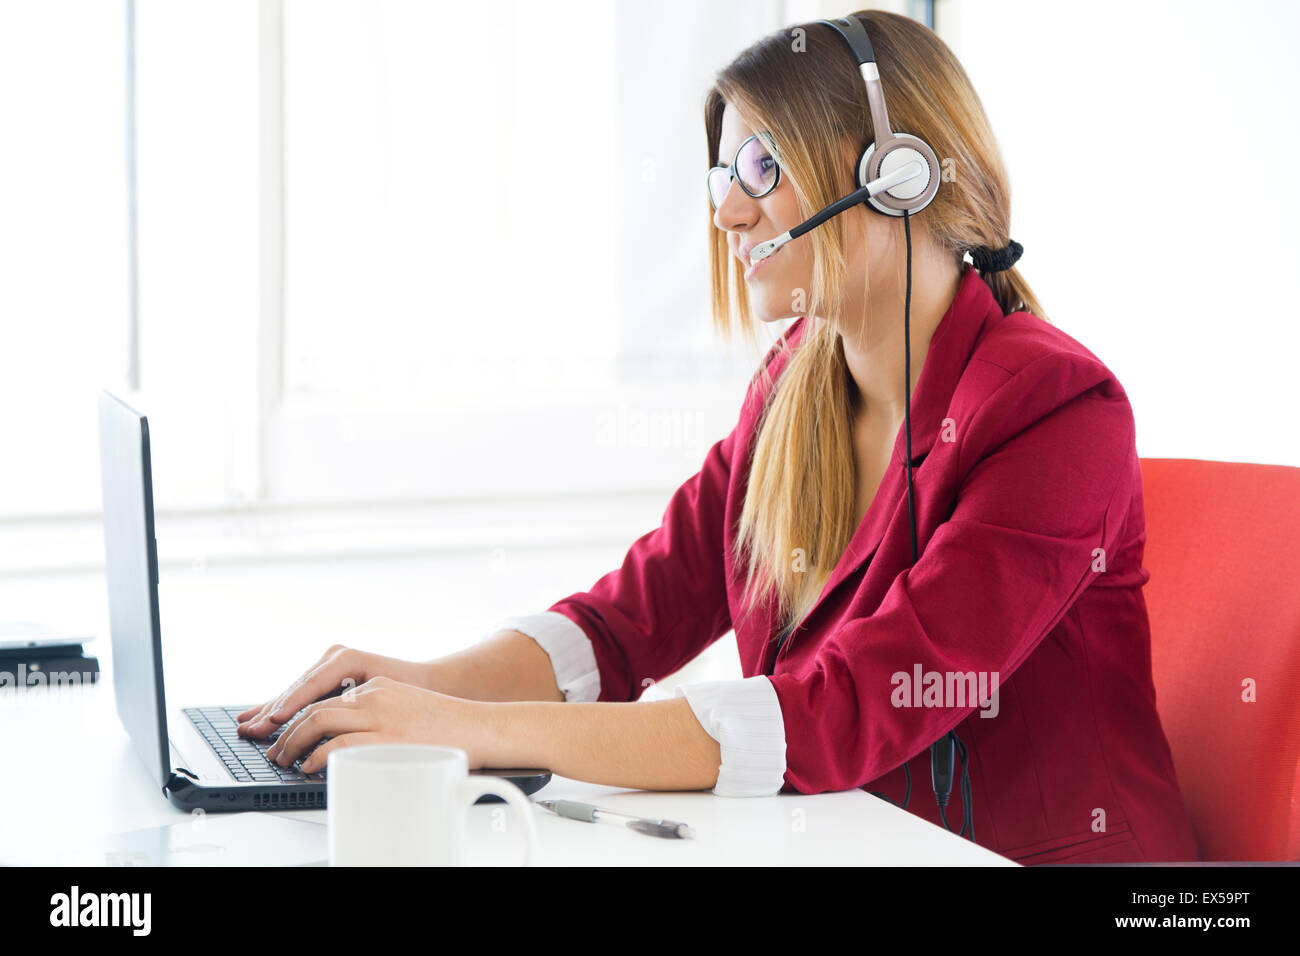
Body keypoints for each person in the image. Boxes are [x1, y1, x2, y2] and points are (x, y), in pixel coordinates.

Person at [237, 10, 1200, 865]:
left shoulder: (1056, 409)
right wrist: (418, 687)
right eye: (722, 172)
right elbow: (622, 625)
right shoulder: (795, 385)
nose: (726, 210)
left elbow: (842, 712)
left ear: (894, 178)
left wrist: (475, 733)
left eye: (761, 167)